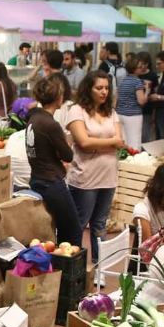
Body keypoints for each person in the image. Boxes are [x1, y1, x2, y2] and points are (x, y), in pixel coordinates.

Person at [67, 71, 124, 260]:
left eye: (107, 88)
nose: (104, 92)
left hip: (108, 177)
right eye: (99, 88)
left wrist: (95, 143)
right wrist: (110, 142)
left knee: (100, 225)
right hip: (85, 178)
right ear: (88, 88)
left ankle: (99, 265)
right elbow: (83, 142)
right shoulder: (77, 110)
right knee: (79, 224)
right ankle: (73, 263)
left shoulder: (111, 112)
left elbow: (120, 141)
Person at [26, 78, 80, 247]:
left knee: (61, 227)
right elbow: (68, 156)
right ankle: (69, 270)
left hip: (37, 178)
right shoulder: (50, 124)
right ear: (59, 98)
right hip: (51, 182)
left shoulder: (34, 119)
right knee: (74, 229)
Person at [115, 53, 147, 149]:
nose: (142, 68)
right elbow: (141, 101)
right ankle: (133, 162)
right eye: (140, 67)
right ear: (135, 69)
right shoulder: (137, 82)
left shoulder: (121, 81)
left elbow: (117, 98)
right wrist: (147, 91)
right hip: (133, 115)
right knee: (134, 142)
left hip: (120, 114)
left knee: (123, 141)